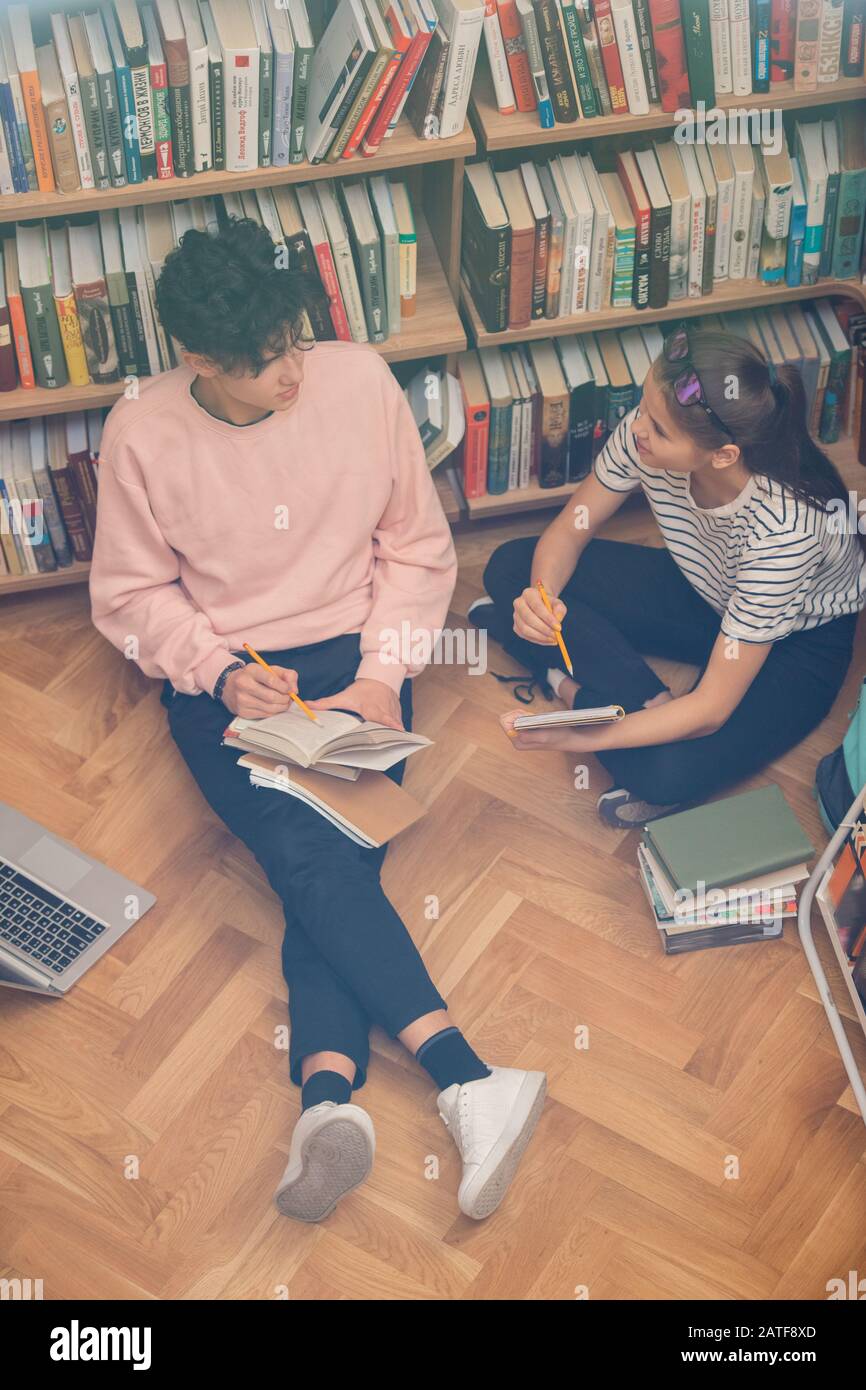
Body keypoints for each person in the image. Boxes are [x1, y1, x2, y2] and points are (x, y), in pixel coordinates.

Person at [88, 218, 545, 1223]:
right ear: (198, 358)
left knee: (314, 863)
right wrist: (215, 671)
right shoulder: (142, 433)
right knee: (319, 859)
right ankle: (462, 1080)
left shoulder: (359, 382)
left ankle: (333, 1101)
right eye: (265, 362)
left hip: (356, 660)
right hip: (234, 678)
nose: (294, 371)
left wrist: (382, 678)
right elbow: (129, 594)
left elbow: (417, 549)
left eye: (297, 340)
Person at [475, 326, 866, 828]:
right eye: (642, 407)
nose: (638, 428)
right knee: (511, 566)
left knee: (661, 772)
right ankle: (647, 701)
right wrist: (540, 598)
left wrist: (578, 735)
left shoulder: (787, 530)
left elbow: (711, 710)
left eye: (658, 429)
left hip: (796, 643)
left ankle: (568, 685)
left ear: (723, 455)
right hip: (704, 586)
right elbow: (572, 528)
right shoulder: (649, 428)